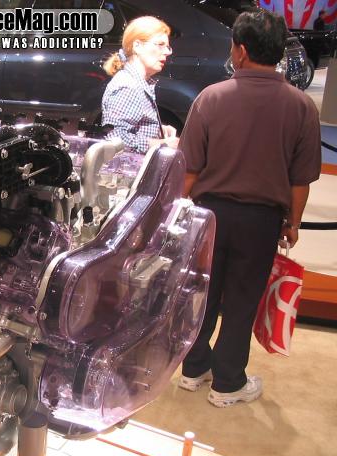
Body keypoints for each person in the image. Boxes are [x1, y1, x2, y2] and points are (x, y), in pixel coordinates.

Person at [178, 10, 321, 407]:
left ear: (240, 51)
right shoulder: (301, 106)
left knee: (201, 293)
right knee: (241, 301)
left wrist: (177, 211)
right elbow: (300, 180)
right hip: (261, 220)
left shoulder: (211, 97)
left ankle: (192, 369)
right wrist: (293, 223)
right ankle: (227, 384)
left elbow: (189, 170)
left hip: (208, 215)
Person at [101, 16, 179, 154]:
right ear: (137, 46)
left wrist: (157, 130)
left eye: (167, 47)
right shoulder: (128, 86)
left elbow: (131, 128)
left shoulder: (137, 82)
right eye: (160, 45)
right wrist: (161, 144)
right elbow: (116, 138)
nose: (167, 52)